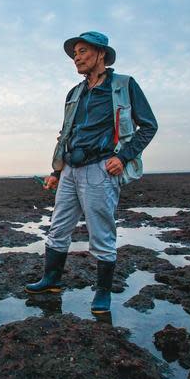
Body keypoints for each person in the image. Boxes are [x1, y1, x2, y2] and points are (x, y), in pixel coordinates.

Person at [25, 31, 158, 316]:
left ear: (101, 54)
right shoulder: (74, 93)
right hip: (70, 170)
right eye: (74, 53)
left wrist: (123, 157)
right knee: (58, 227)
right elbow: (66, 134)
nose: (76, 58)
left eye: (82, 51)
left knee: (101, 233)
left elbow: (148, 126)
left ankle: (103, 292)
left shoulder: (124, 85)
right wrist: (56, 172)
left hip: (101, 169)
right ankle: (51, 279)